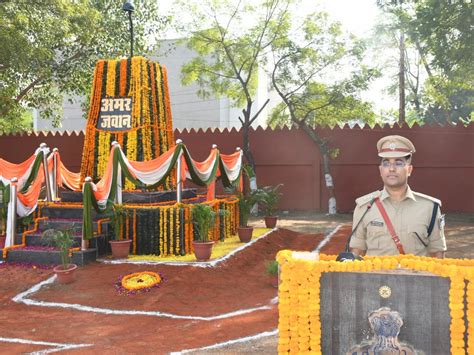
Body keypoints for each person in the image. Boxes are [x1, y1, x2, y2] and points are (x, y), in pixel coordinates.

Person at [349, 135, 446, 258]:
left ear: (409, 170)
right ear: (380, 170)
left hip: (416, 276)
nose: (392, 168)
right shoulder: (364, 207)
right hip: (375, 276)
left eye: (399, 163)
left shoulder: (429, 208)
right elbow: (356, 251)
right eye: (386, 163)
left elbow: (437, 252)